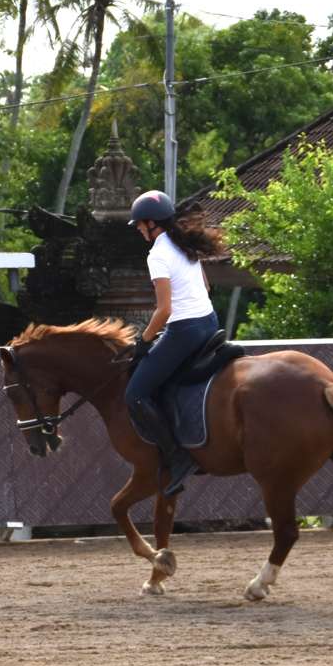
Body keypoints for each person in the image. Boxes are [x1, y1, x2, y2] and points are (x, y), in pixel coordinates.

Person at [125, 190, 223, 496]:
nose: (139, 230)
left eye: (141, 225)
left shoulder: (158, 255)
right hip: (210, 323)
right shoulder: (185, 245)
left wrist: (144, 340)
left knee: (135, 394)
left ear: (152, 224)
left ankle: (178, 458)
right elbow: (206, 287)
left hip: (185, 330)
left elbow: (164, 310)